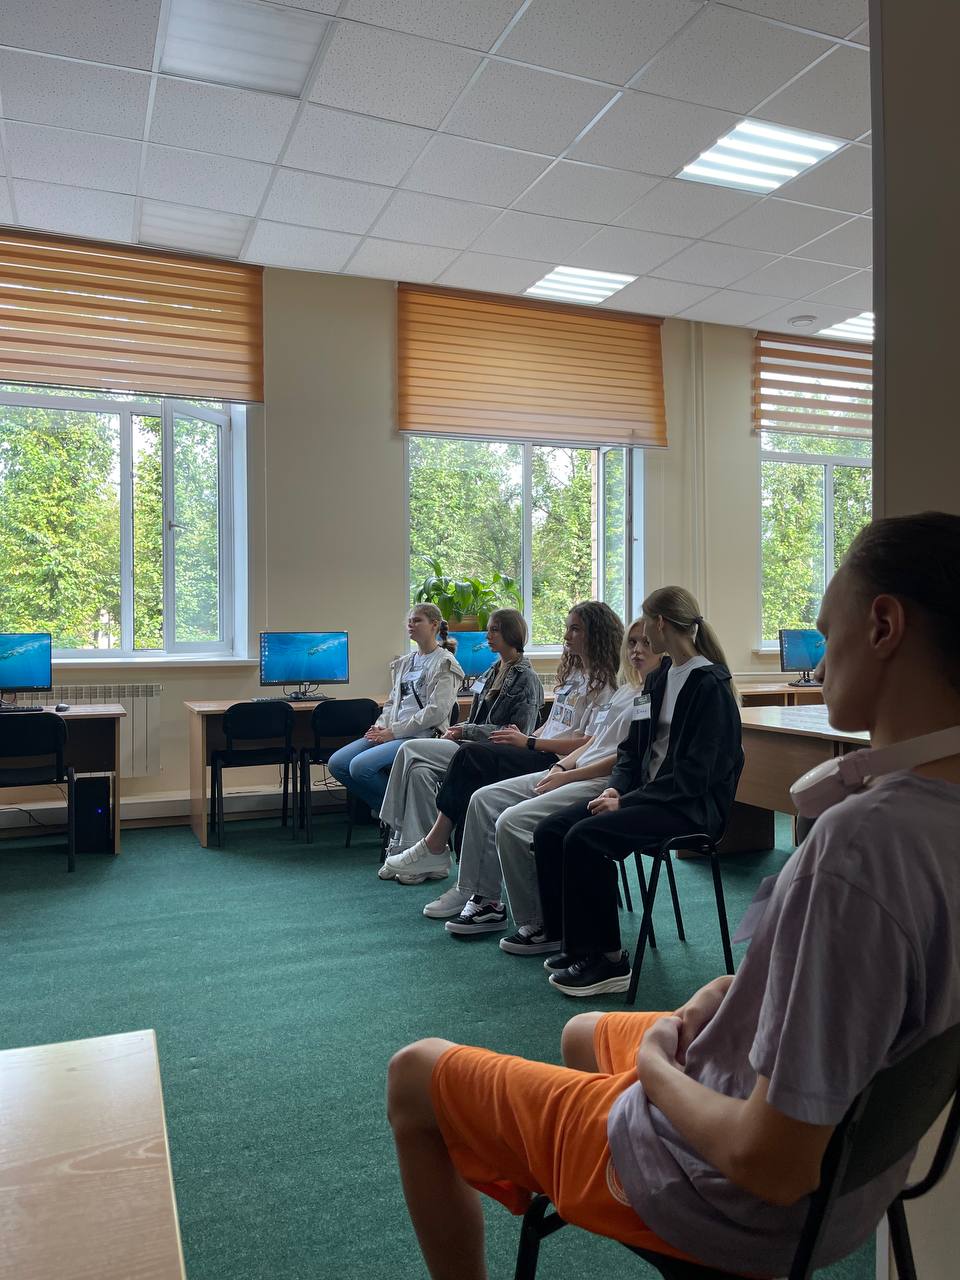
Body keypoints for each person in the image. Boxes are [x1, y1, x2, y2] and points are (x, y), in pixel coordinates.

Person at [386, 511, 960, 1280]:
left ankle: (638, 1184)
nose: (820, 667)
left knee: (414, 1075)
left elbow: (772, 1163)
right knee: (583, 1032)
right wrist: (734, 990)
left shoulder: (860, 846)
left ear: (883, 625)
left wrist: (656, 1065)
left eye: (828, 635)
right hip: (857, 1189)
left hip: (739, 1203)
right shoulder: (925, 826)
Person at [532, 586, 742, 997]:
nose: (641, 634)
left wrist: (625, 801)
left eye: (646, 623)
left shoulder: (709, 685)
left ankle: (610, 962)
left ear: (660, 624)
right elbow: (631, 750)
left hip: (688, 807)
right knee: (551, 830)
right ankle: (577, 944)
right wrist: (615, 790)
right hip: (648, 797)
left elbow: (694, 777)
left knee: (585, 837)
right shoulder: (659, 679)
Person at [384, 602, 623, 919]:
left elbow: (588, 742)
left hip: (556, 760)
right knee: (429, 768)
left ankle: (437, 848)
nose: (566, 636)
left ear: (597, 634)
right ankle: (433, 855)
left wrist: (529, 742)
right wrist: (527, 738)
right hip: (538, 749)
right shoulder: (573, 675)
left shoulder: (605, 685)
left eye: (575, 629)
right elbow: (553, 724)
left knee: (470, 758)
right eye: (568, 628)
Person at [437, 619, 660, 942]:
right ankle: (482, 898)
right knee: (483, 798)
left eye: (646, 643)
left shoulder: (643, 694)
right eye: (633, 642)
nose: (637, 650)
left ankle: (539, 920)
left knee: (510, 819)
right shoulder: (627, 690)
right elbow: (594, 742)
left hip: (600, 779)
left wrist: (556, 764)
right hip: (568, 767)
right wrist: (559, 768)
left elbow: (624, 756)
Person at [377, 609, 543, 885]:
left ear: (511, 634)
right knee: (418, 772)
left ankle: (394, 832)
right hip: (469, 744)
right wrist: (458, 730)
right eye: (489, 629)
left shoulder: (526, 677)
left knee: (409, 749)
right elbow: (476, 719)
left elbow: (519, 733)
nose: (488, 636)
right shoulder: (491, 671)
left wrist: (464, 731)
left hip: (489, 753)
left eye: (495, 630)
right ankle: (425, 856)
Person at [327, 604, 463, 818]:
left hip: (421, 735)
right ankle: (397, 815)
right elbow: (393, 702)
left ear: (434, 625)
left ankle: (400, 817)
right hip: (393, 732)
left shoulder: (445, 663)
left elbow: (436, 712)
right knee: (338, 763)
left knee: (360, 767)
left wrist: (393, 732)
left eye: (417, 620)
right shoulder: (405, 662)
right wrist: (380, 727)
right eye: (409, 621)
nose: (411, 625)